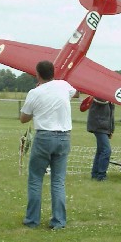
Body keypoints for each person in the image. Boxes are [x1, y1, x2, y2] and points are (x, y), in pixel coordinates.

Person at [19, 60, 77, 229]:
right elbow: (76, 94)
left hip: (44, 137)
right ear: (54, 72)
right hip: (64, 137)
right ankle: (59, 221)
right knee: (58, 181)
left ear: (37, 74)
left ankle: (32, 220)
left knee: (36, 179)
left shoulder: (34, 92)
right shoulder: (63, 85)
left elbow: (23, 118)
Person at [85, 97, 114, 181]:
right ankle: (101, 176)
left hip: (103, 127)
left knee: (100, 151)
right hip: (98, 126)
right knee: (106, 150)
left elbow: (110, 115)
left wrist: (110, 130)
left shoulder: (109, 97)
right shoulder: (100, 96)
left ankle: (95, 174)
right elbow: (102, 100)